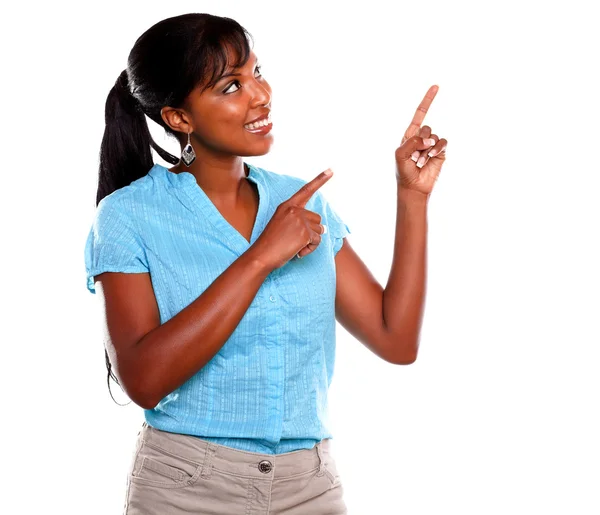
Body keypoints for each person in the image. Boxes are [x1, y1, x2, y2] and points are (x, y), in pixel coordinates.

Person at [84, 12, 447, 515]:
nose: (261, 94)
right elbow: (142, 380)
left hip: (311, 487)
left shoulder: (302, 202)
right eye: (232, 85)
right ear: (179, 118)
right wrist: (261, 257)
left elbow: (396, 340)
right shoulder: (129, 215)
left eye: (257, 72)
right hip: (187, 489)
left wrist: (412, 197)